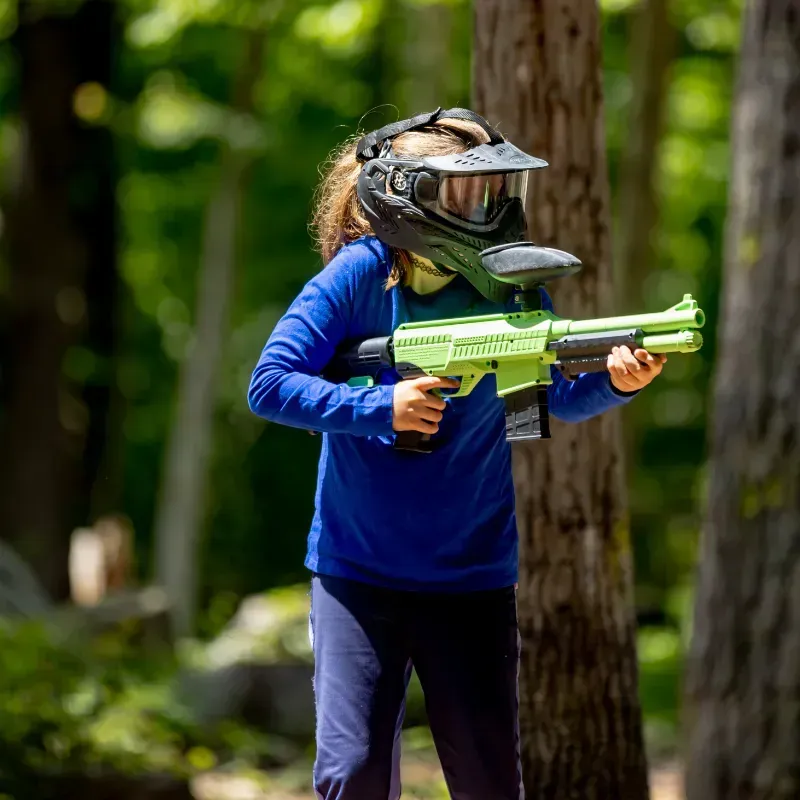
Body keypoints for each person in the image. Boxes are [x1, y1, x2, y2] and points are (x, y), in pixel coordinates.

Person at [247, 108, 664, 800]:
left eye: (498, 192)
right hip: (358, 575)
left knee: (490, 782)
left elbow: (552, 397)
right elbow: (270, 384)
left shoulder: (515, 285)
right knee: (352, 775)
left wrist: (615, 383)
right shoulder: (360, 275)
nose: (490, 210)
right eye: (469, 194)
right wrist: (381, 408)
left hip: (472, 578)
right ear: (407, 196)